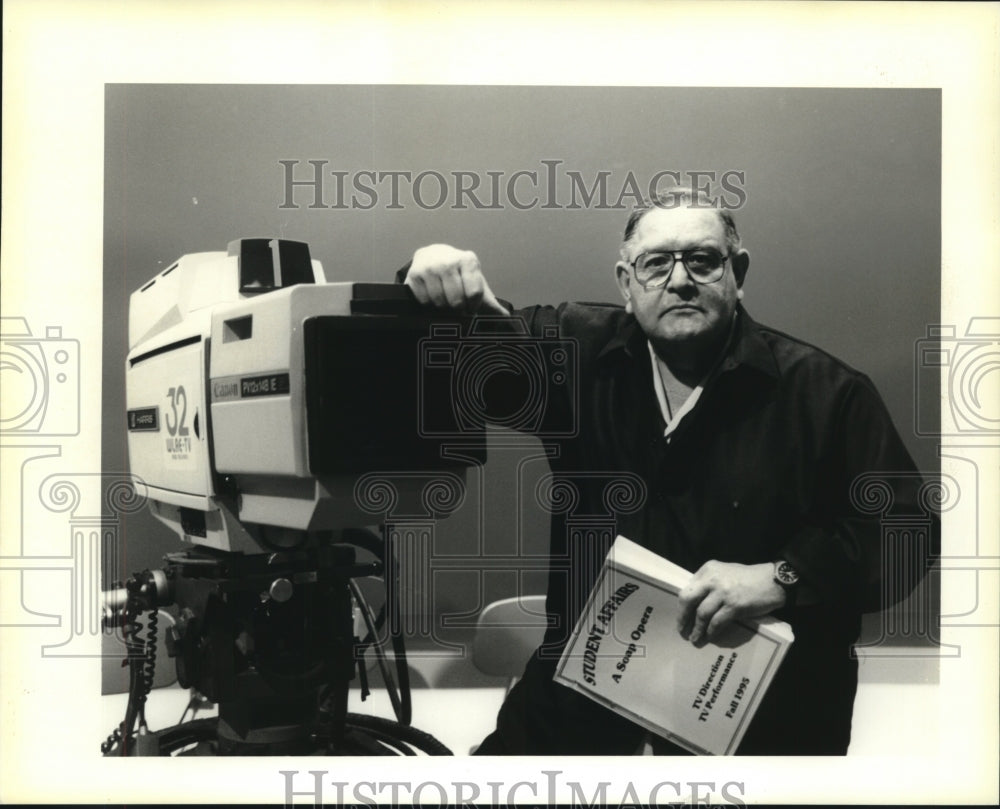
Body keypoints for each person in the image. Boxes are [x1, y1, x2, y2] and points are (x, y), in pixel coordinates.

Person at [403, 190, 938, 755]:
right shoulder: (574, 353)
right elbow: (466, 367)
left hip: (759, 725)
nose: (679, 280)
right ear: (625, 284)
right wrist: (443, 285)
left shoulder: (827, 393)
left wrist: (782, 578)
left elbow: (907, 533)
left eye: (702, 260)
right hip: (580, 709)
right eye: (656, 263)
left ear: (739, 272)